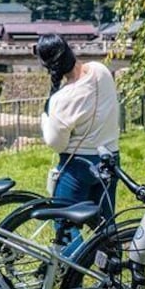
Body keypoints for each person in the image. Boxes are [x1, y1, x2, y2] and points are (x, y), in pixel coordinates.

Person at [35, 33, 120, 251]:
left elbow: (56, 144)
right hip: (109, 159)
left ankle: (74, 273)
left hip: (77, 166)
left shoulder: (62, 99)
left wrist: (45, 120)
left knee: (64, 224)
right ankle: (112, 276)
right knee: (105, 227)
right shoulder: (100, 71)